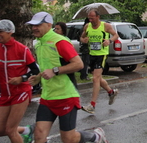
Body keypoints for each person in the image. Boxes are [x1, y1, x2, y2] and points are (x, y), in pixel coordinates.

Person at [27, 12, 108, 143]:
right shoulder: (38, 43)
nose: (34, 28)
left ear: (49, 25)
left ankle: (96, 137)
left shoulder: (59, 41)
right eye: (32, 25)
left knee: (69, 138)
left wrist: (55, 71)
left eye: (38, 25)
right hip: (47, 96)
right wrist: (38, 78)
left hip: (66, 95)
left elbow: (78, 64)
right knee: (39, 135)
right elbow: (47, 67)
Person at [0, 19, 39, 143]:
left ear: (10, 32)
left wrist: (21, 78)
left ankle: (21, 133)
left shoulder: (22, 49)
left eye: (0, 31)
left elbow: (35, 70)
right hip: (5, 94)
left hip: (21, 92)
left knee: (10, 130)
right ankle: (26, 130)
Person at [80, 10, 119, 114]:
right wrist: (83, 40)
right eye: (89, 18)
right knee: (98, 78)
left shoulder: (105, 26)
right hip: (92, 54)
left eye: (92, 17)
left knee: (95, 78)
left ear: (98, 16)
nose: (90, 19)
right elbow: (82, 37)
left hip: (102, 55)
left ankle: (92, 105)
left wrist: (109, 41)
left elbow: (116, 35)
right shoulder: (87, 26)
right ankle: (111, 92)